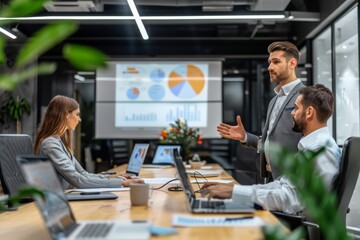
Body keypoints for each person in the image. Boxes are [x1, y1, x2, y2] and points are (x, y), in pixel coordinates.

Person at [202, 84, 341, 214]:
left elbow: (291, 200)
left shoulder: (320, 150)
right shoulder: (314, 146)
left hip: (296, 224)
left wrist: (234, 193)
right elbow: (282, 185)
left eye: (296, 108)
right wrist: (235, 190)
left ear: (309, 112)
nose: (292, 113)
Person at [217, 41, 304, 181]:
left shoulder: (306, 96)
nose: (270, 67)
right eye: (269, 62)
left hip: (292, 180)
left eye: (276, 62)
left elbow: (310, 143)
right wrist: (244, 137)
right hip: (271, 178)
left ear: (292, 63)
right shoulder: (273, 101)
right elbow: (271, 143)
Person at [34, 95, 144, 189]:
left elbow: (82, 174)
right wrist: (122, 183)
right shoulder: (50, 144)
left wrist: (112, 177)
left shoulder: (59, 142)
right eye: (77, 114)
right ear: (66, 114)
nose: (80, 119)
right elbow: (78, 180)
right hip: (59, 202)